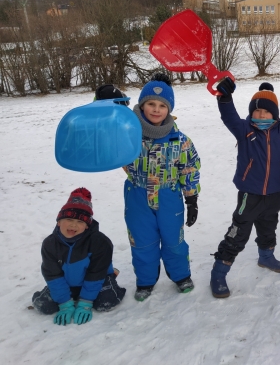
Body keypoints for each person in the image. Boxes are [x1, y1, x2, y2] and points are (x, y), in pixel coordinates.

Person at [210, 79, 280, 298]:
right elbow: (228, 116)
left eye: (266, 112)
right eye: (256, 111)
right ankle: (219, 271)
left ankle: (266, 256)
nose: (261, 115)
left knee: (269, 227)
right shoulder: (244, 129)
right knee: (239, 232)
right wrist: (225, 98)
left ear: (274, 114)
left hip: (274, 192)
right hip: (250, 193)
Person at [124, 72, 200, 302]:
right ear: (142, 105)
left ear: (169, 109)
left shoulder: (180, 140)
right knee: (142, 241)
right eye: (150, 104)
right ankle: (145, 281)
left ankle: (181, 275)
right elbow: (106, 138)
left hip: (169, 196)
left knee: (173, 240)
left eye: (162, 105)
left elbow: (190, 168)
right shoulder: (129, 134)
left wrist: (192, 198)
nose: (156, 110)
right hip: (138, 196)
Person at [32, 188, 126, 325]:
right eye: (69, 219)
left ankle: (111, 279)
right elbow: (53, 274)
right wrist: (64, 302)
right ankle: (70, 295)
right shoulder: (50, 244)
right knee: (43, 305)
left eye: (80, 222)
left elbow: (96, 273)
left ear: (87, 226)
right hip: (67, 282)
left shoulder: (100, 242)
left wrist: (85, 303)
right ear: (58, 221)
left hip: (97, 278)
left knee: (105, 302)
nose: (73, 225)